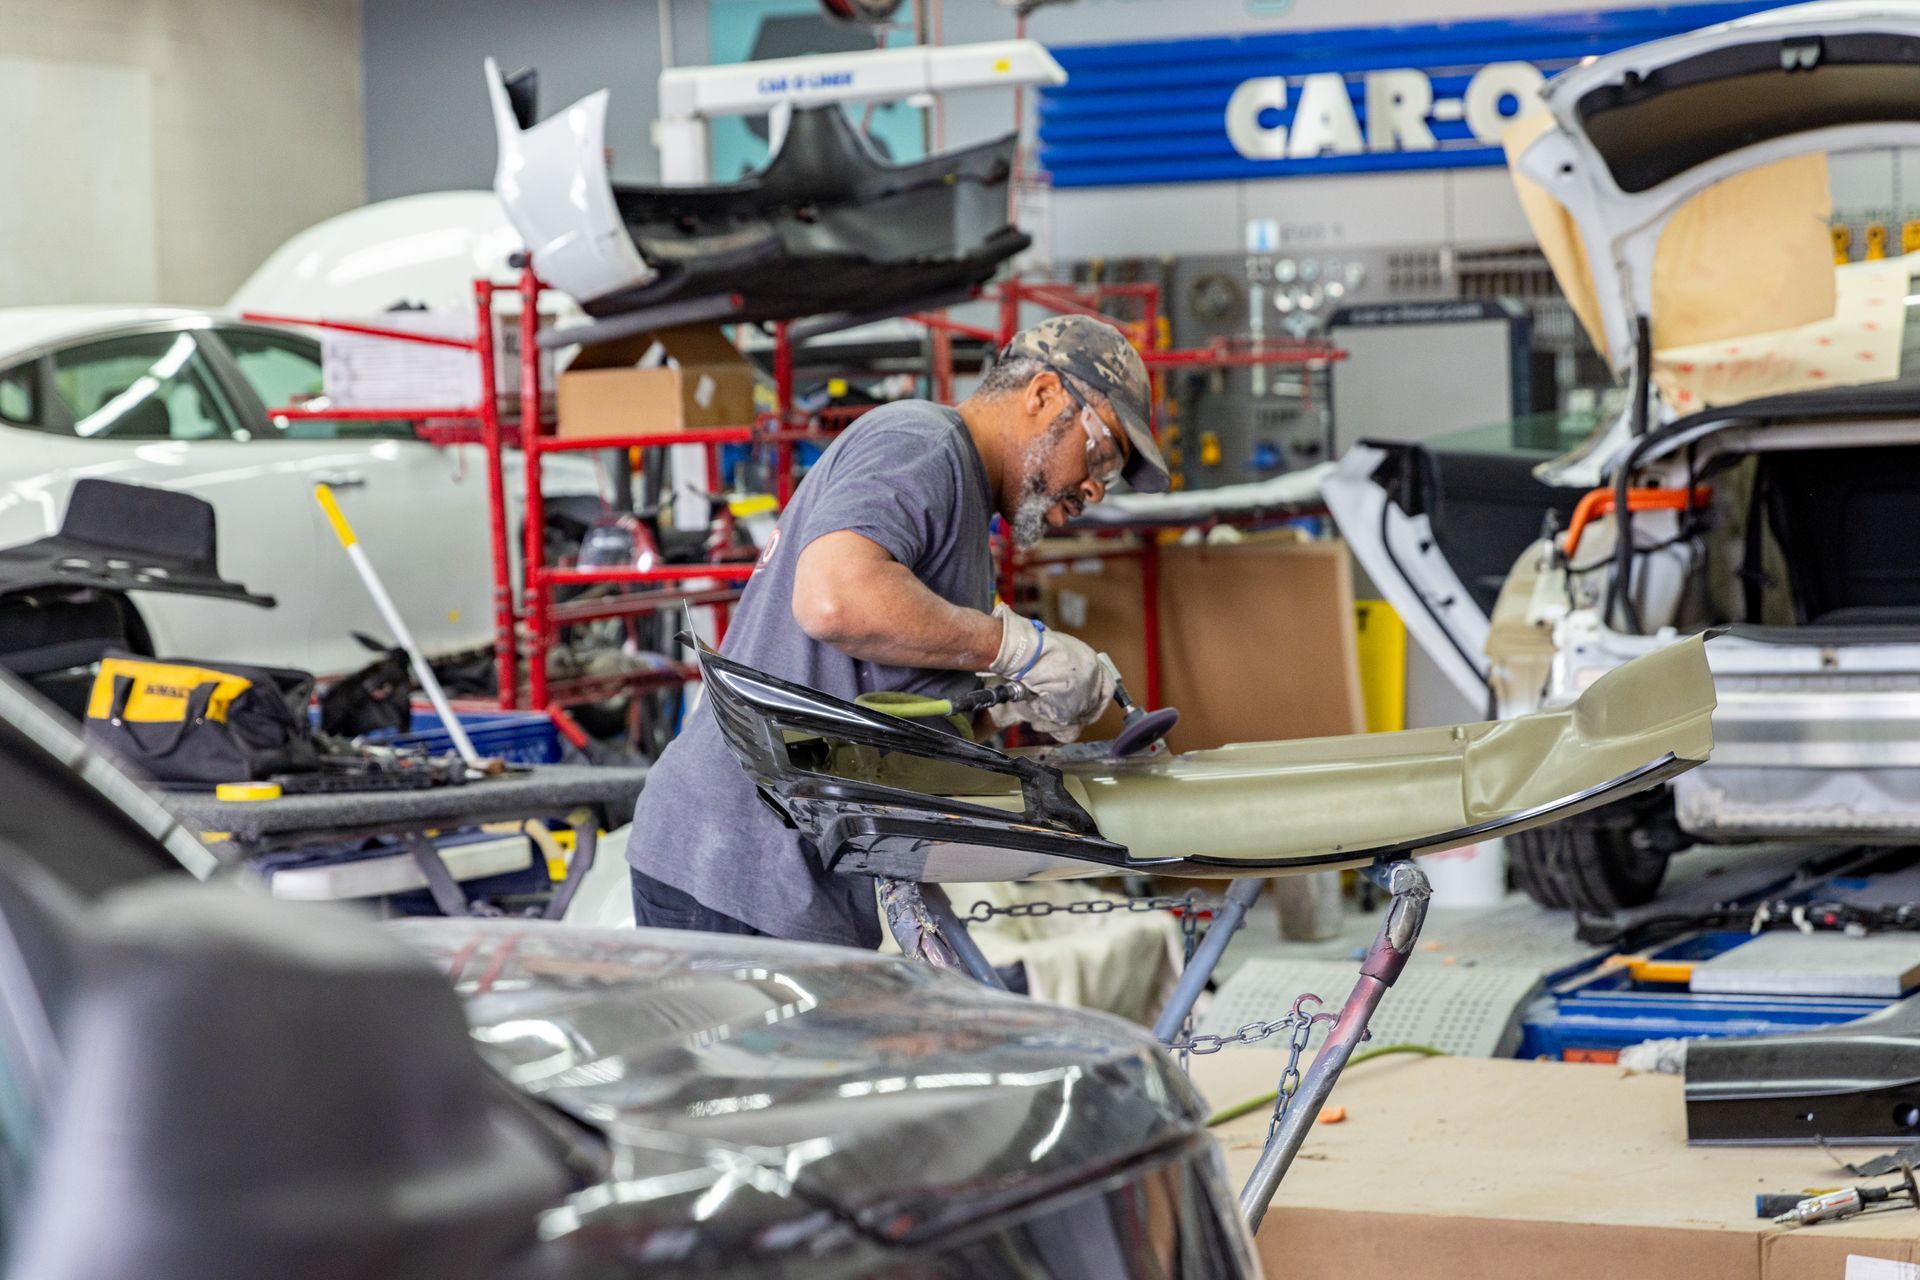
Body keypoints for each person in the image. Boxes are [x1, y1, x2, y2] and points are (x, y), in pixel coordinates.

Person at [625, 314, 1170, 947]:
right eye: (1102, 451)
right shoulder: (923, 442)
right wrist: (1017, 649)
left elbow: (894, 713)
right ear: (1043, 394)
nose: (1096, 488)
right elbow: (832, 600)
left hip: (798, 874)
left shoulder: (966, 516)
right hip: (732, 864)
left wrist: (1009, 705)